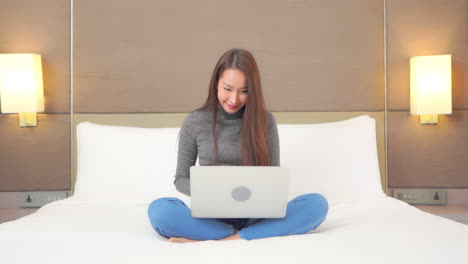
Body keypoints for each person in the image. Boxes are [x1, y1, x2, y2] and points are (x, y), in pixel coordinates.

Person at [147, 48, 329, 243]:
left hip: (256, 218)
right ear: (216, 83)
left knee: (317, 204)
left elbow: (273, 178)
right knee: (160, 210)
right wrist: (214, 191)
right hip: (211, 218)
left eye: (244, 91)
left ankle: (227, 238)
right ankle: (246, 235)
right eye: (227, 89)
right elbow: (181, 179)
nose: (234, 99)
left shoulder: (266, 121)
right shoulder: (196, 121)